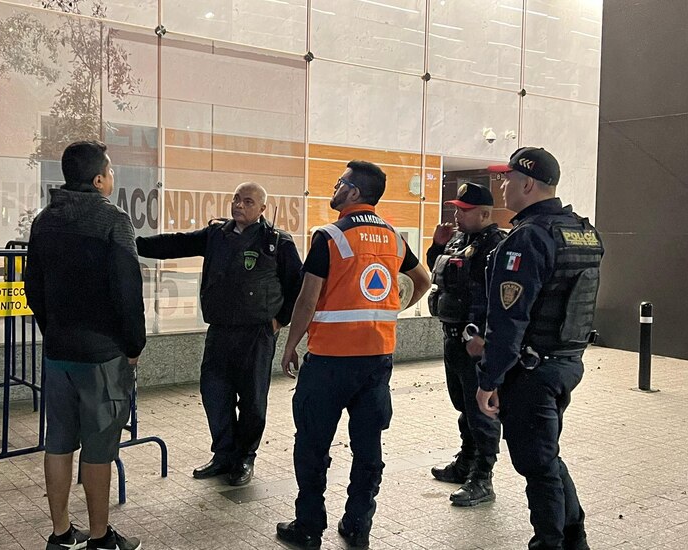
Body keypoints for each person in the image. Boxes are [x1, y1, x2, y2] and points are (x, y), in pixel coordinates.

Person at [275, 160, 432, 549]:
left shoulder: (331, 236)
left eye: (340, 183)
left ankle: (309, 528)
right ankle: (358, 525)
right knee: (368, 447)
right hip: (376, 360)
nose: (335, 188)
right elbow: (424, 280)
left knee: (312, 446)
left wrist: (291, 344)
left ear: (355, 192)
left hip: (330, 361)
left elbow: (307, 298)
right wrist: (391, 309)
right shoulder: (394, 237)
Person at [468, 147, 603, 550]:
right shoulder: (583, 232)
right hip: (566, 363)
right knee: (546, 455)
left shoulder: (527, 238)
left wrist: (488, 380)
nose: (503, 186)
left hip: (531, 371)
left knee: (536, 464)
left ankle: (551, 542)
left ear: (527, 183)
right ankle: (574, 537)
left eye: (508, 179)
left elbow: (511, 320)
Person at [135, 181, 302, 486]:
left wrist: (279, 321)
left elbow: (298, 286)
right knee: (214, 393)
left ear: (262, 209)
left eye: (248, 201)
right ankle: (223, 453)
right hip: (221, 330)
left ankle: (244, 457)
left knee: (252, 400)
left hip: (257, 334)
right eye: (236, 199)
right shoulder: (216, 235)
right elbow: (176, 243)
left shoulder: (277, 243)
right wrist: (132, 243)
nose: (239, 205)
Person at [25, 140, 145, 550]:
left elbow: (32, 288)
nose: (112, 178)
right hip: (102, 356)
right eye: (110, 172)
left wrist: (53, 330)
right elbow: (128, 291)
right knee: (99, 448)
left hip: (58, 354)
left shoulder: (44, 221)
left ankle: (60, 535)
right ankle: (100, 538)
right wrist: (134, 345)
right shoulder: (113, 221)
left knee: (57, 443)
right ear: (98, 179)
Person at [426, 182, 506, 507]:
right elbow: (440, 274)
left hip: (477, 342)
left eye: (464, 210)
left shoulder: (497, 245)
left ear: (485, 213)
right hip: (453, 336)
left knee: (481, 410)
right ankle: (466, 462)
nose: (456, 215)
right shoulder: (460, 240)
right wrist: (436, 246)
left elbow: (500, 299)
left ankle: (483, 478)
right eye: (456, 208)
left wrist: (484, 337)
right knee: (464, 406)